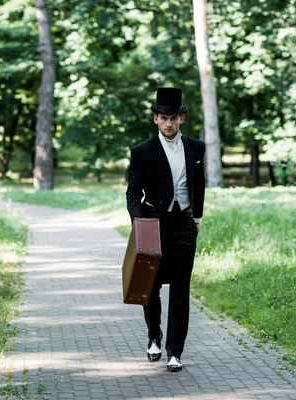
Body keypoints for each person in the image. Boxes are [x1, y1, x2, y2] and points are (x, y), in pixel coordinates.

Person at [125, 87, 206, 372]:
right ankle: (153, 337)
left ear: (181, 119)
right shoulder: (142, 152)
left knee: (181, 289)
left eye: (173, 118)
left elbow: (199, 185)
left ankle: (175, 352)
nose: (169, 124)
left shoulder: (196, 148)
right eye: (163, 118)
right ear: (156, 120)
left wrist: (196, 218)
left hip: (184, 224)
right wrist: (139, 223)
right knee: (151, 286)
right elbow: (133, 194)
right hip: (154, 223)